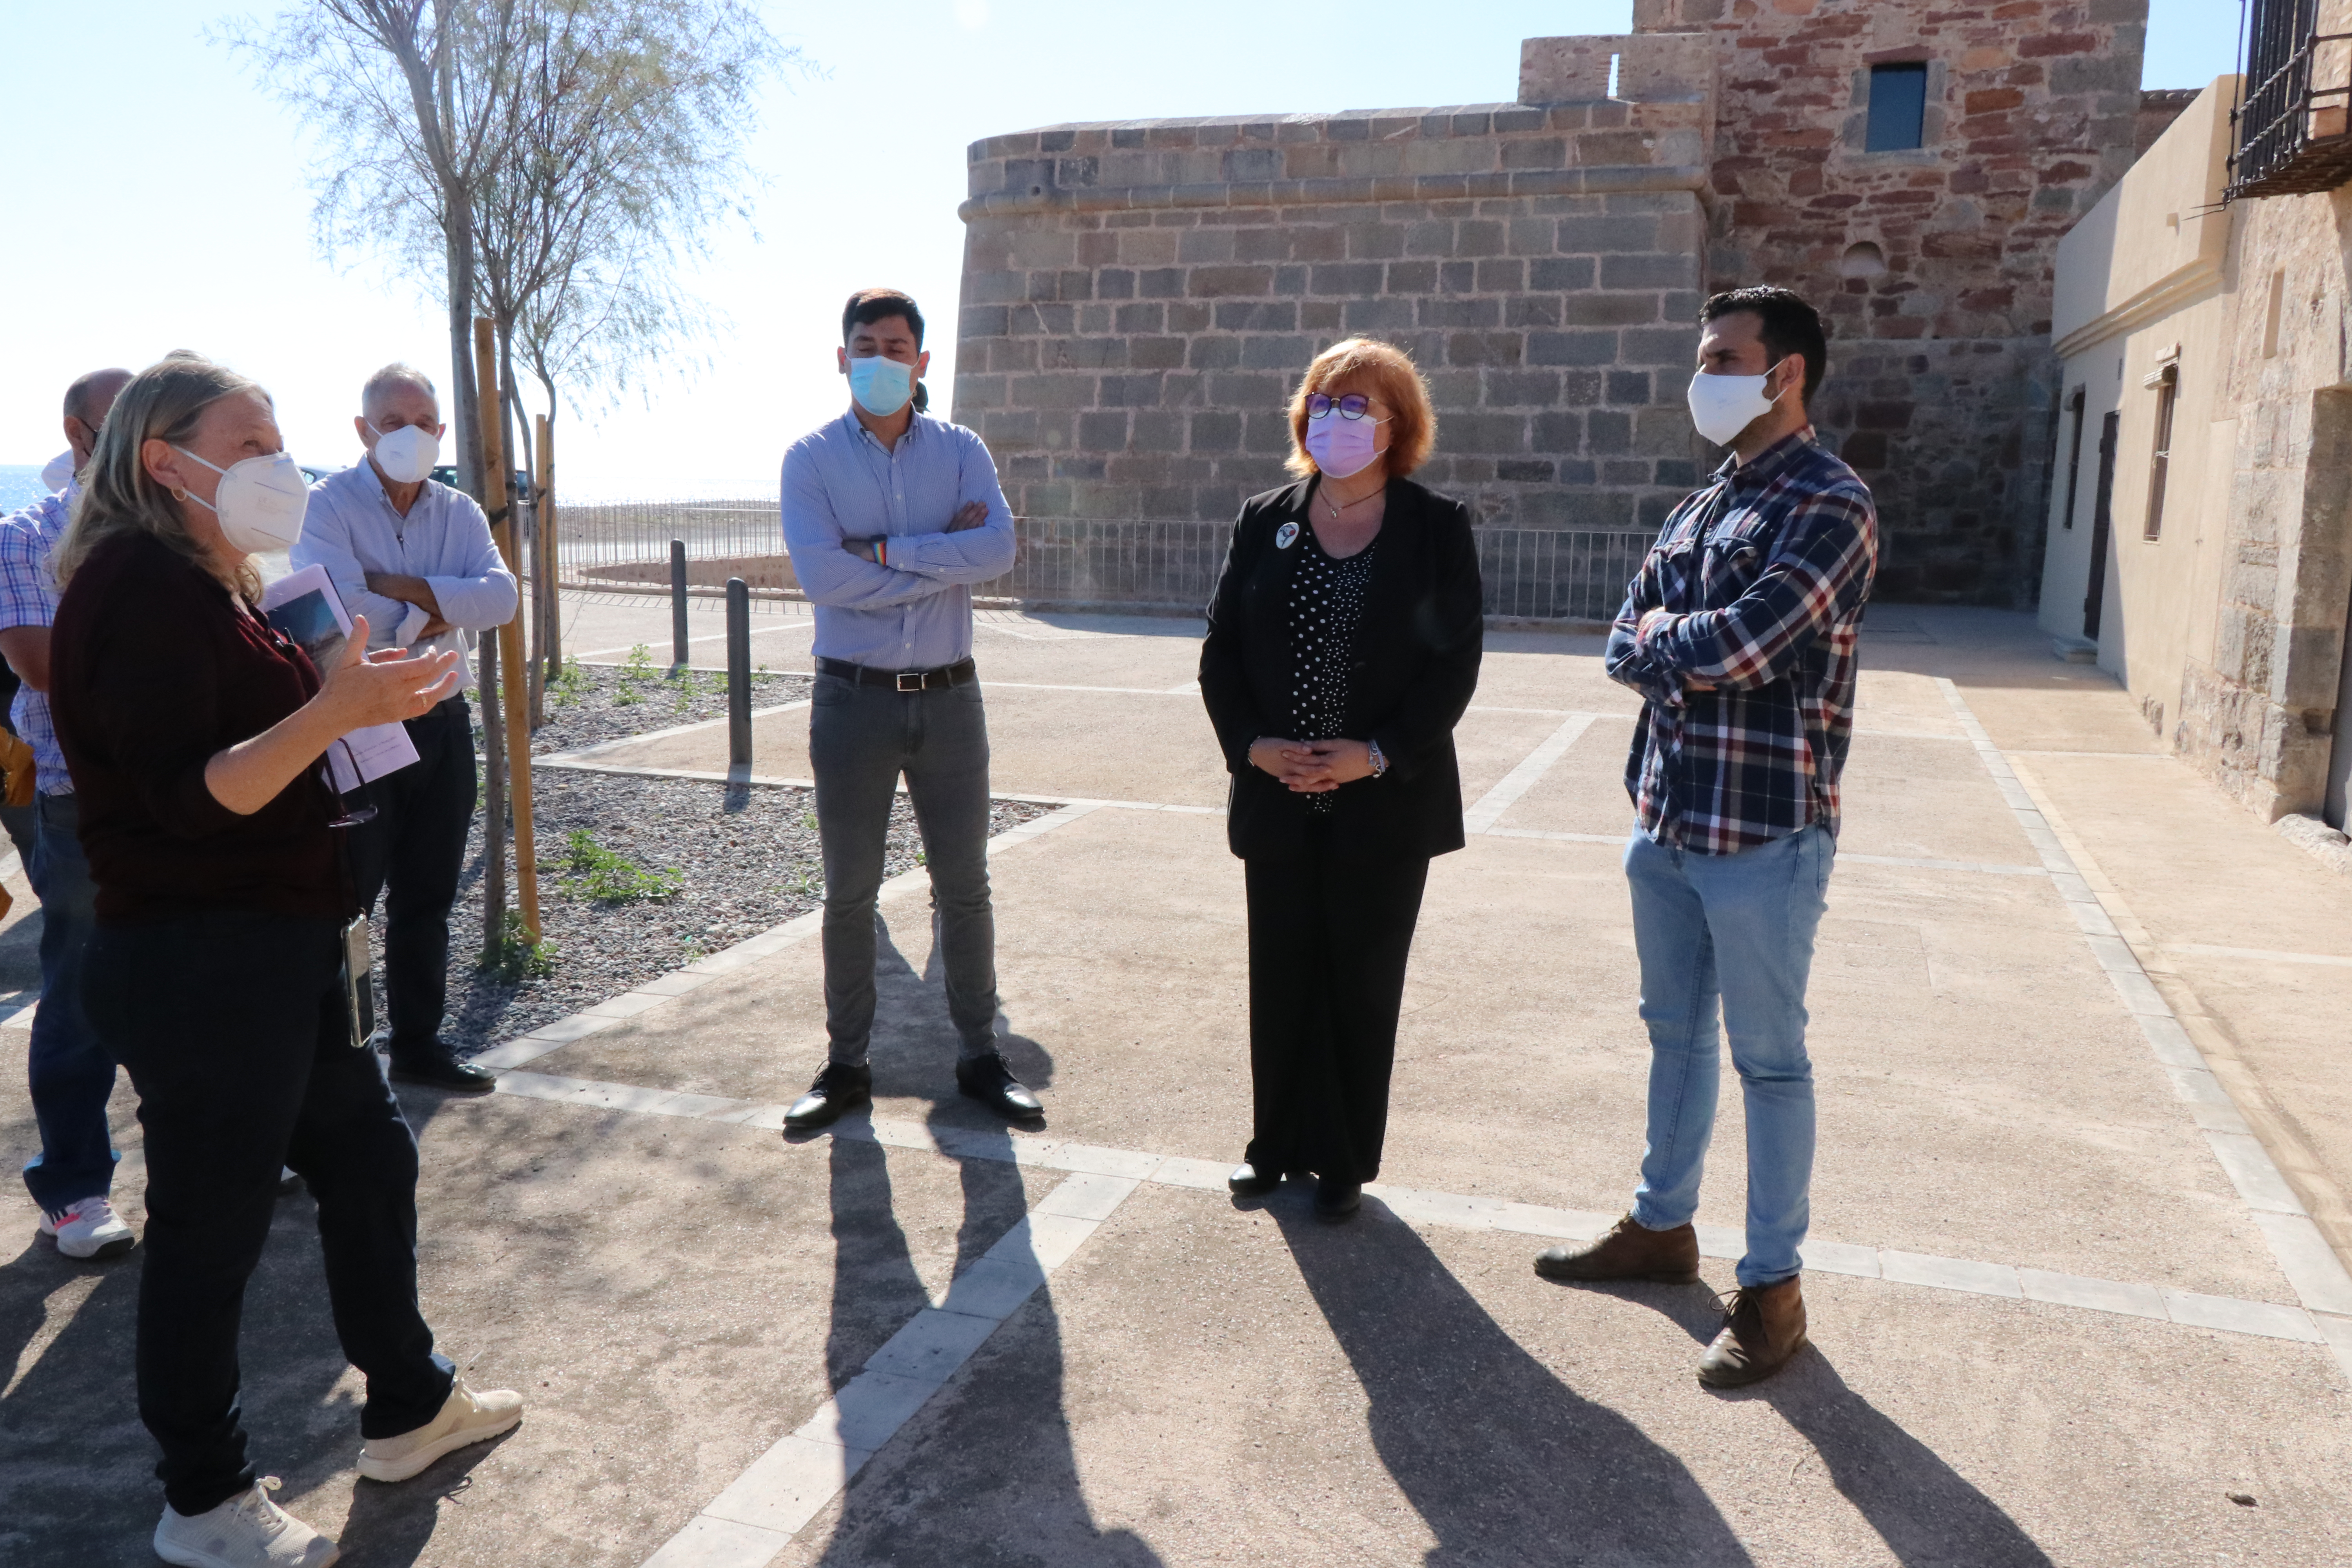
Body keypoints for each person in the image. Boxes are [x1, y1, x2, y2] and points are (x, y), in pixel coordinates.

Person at [47, 354, 522, 1567]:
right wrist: (334, 713)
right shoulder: (137, 586)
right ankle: (203, 1502)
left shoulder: (217, 581)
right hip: (203, 965)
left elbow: (269, 735)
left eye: (278, 440)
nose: (276, 463)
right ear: (165, 460)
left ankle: (410, 1403)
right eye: (250, 441)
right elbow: (196, 796)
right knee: (212, 1229)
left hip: (281, 946)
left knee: (367, 1159)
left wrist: (362, 700)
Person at [1534, 287, 1879, 1390]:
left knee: (1770, 1063)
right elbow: (1617, 640)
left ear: (1787, 374)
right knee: (1672, 1036)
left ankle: (1772, 1293)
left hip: (1767, 831)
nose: (1705, 375)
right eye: (1704, 354)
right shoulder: (1699, 507)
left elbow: (1750, 644)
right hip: (1669, 819)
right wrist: (1674, 638)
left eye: (1724, 356)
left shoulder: (1833, 504)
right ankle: (1659, 1229)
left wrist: (1666, 637)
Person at [1198, 338, 1483, 1223]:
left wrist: (1381, 750)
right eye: (1323, 401)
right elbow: (1221, 654)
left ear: (1398, 424)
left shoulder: (1436, 525)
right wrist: (1252, 745)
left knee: (1362, 982)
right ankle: (1271, 1147)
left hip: (1383, 800)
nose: (1335, 418)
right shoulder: (1265, 516)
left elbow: (1454, 665)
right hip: (1279, 794)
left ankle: (1344, 1160)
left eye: (1356, 405)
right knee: (1280, 975)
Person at [777, 288, 1026, 1132]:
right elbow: (823, 580)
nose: (881, 360)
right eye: (866, 345)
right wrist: (938, 557)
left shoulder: (961, 450)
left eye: (897, 346)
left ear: (924, 362)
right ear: (842, 358)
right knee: (849, 892)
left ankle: (981, 1056)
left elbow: (997, 548)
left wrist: (883, 552)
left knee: (966, 887)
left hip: (952, 700)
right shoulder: (809, 461)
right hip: (853, 701)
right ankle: (848, 1065)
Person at [292, 363, 517, 1092]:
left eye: (423, 423)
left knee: (429, 895)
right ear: (363, 430)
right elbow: (341, 619)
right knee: (350, 900)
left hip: (441, 721)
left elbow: (504, 599)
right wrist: (445, 606)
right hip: (362, 726)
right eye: (393, 423)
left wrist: (396, 591)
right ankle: (344, 1058)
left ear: (441, 431)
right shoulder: (323, 508)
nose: (410, 436)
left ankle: (419, 1044)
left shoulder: (460, 512)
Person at [0, 365, 135, 1260]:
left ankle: (220, 1147)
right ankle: (76, 1189)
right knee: (83, 987)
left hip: (188, 787)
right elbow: (44, 666)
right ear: (81, 435)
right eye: (125, 420)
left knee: (193, 975)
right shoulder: (28, 535)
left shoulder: (184, 530)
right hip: (78, 797)